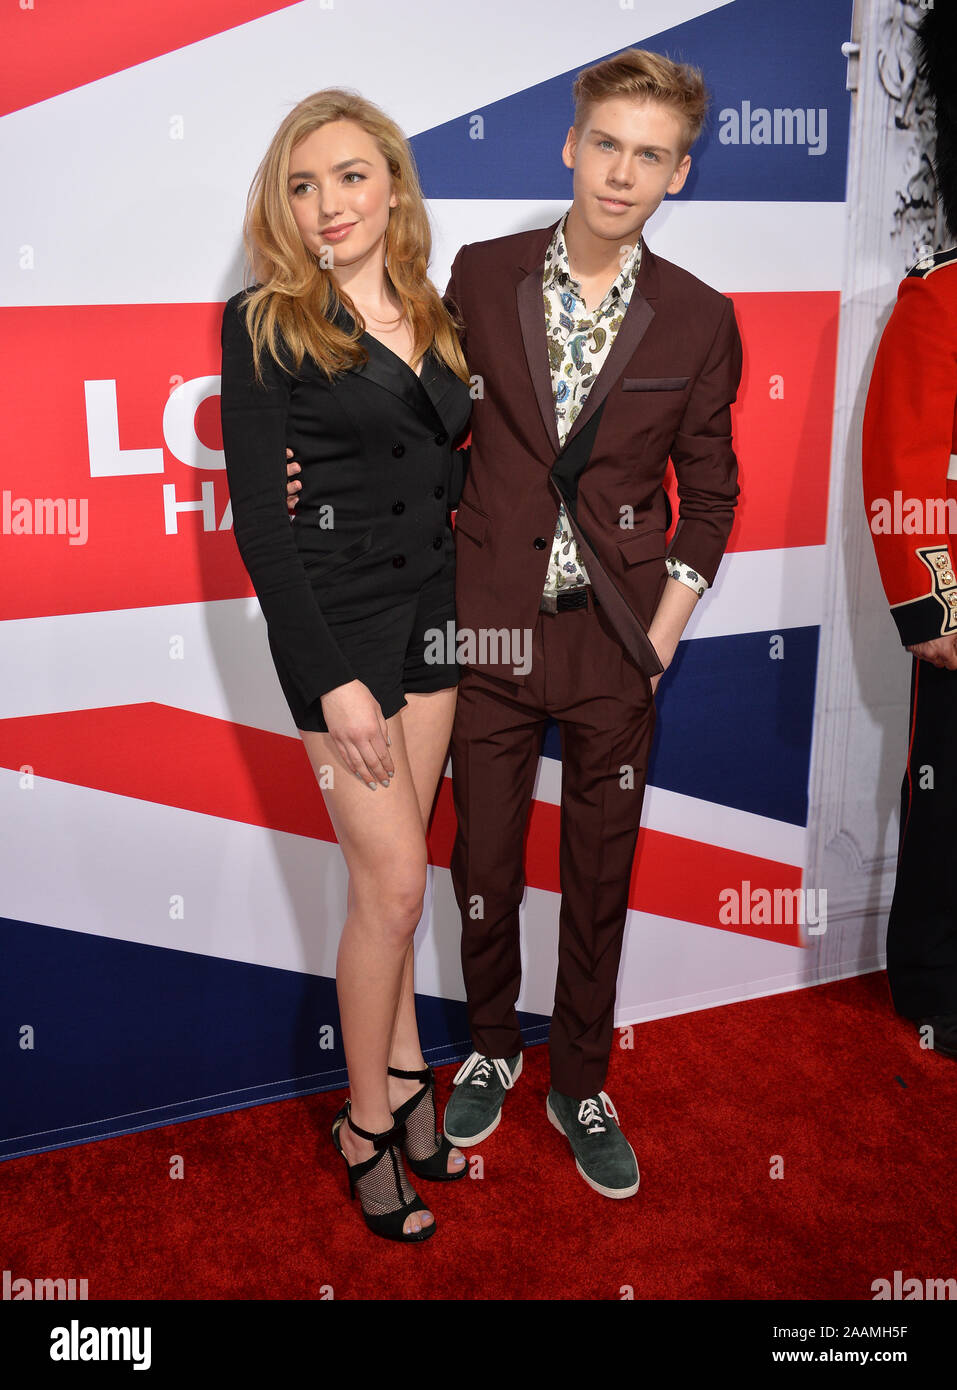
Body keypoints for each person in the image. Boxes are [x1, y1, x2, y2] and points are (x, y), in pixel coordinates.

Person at [287, 49, 742, 1198]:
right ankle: (490, 1047)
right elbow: (414, 414)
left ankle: (580, 1078)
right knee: (482, 862)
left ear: (678, 174)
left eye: (650, 155)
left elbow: (714, 489)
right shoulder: (477, 280)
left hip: (616, 639)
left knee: (600, 869)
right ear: (569, 145)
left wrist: (664, 632)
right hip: (478, 632)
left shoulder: (698, 318)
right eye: (606, 144)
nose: (621, 173)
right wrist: (312, 467)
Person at [220, 88, 473, 1242]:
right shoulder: (264, 321)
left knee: (403, 873)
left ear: (393, 184)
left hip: (437, 609)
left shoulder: (433, 304)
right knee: (397, 885)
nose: (329, 205)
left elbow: (445, 464)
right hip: (339, 629)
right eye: (304, 185)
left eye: (351, 177)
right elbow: (263, 534)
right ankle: (367, 1120)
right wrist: (331, 682)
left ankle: (413, 1078)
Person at [860, 6, 957, 1061]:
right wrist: (933, 603)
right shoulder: (944, 293)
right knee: (950, 800)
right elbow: (903, 459)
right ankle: (936, 977)